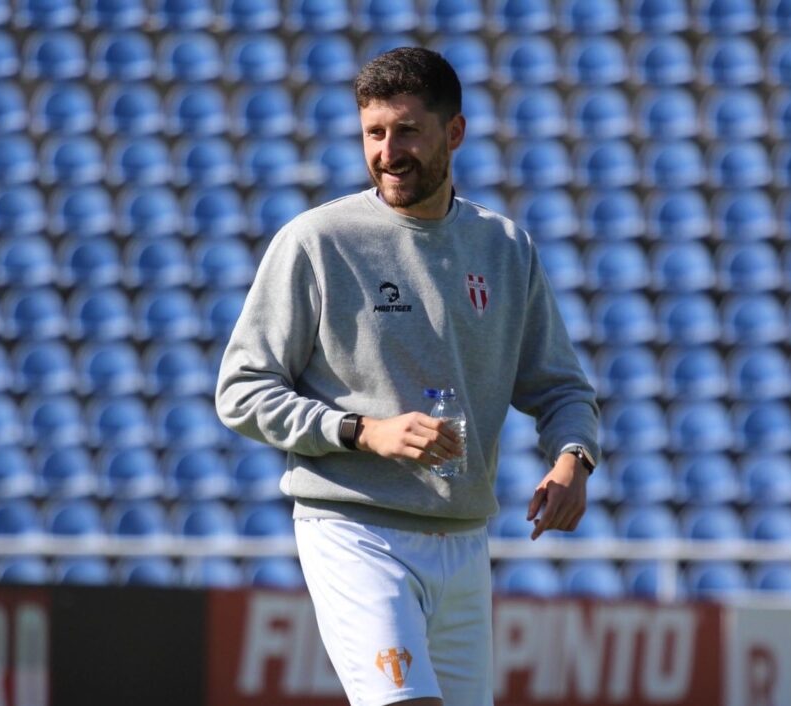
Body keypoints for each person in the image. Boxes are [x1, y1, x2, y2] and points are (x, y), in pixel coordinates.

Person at [217, 47, 599, 706]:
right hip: (355, 531)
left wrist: (574, 459)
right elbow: (242, 389)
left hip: (464, 538)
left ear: (455, 132)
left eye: (407, 132)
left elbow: (561, 387)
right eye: (374, 133)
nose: (387, 152)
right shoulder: (318, 241)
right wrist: (362, 430)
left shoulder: (505, 248)